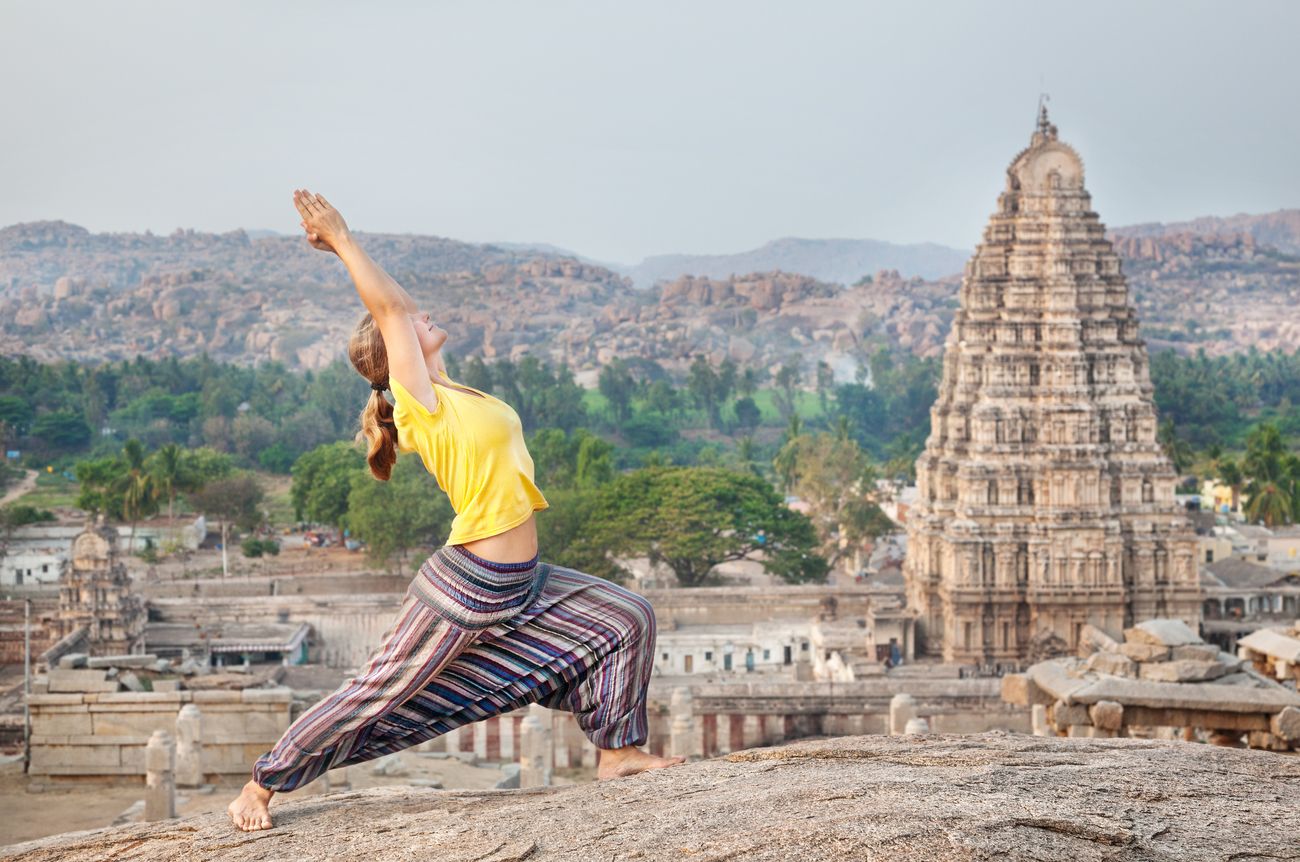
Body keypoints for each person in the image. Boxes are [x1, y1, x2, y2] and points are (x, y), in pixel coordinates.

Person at [227, 190, 683, 832]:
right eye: (407, 324)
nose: (420, 314)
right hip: (470, 583)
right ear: (395, 355)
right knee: (380, 692)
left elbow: (400, 306)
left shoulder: (451, 391)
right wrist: (343, 239)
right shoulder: (419, 404)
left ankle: (617, 754)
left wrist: (349, 252)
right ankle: (262, 784)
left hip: (522, 580)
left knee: (627, 619)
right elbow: (388, 308)